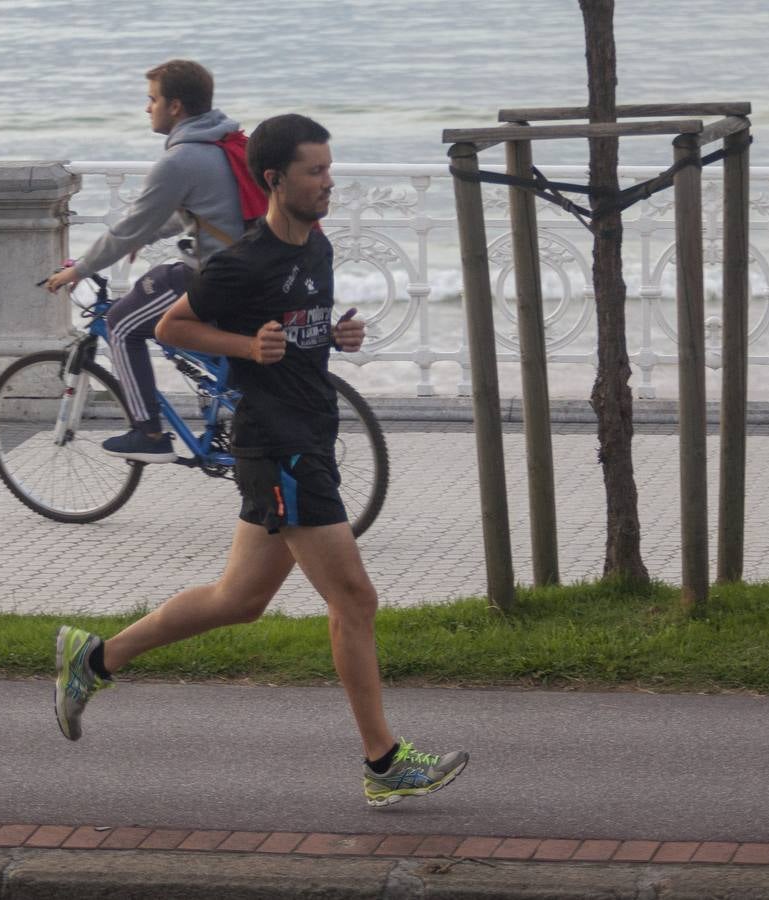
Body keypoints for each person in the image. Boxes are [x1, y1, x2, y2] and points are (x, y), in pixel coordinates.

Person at [53, 114, 469, 808]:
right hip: (278, 446)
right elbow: (172, 326)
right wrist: (247, 348)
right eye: (315, 171)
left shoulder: (317, 247)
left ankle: (93, 659)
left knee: (238, 601)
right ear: (275, 179)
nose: (329, 182)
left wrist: (334, 335)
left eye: (330, 168)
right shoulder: (241, 263)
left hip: (309, 431)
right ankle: (384, 762)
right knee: (354, 598)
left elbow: (297, 330)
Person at [44, 59, 247, 463]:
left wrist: (78, 270)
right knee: (161, 302)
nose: (147, 108)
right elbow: (201, 211)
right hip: (249, 272)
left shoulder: (179, 161)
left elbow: (128, 229)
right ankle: (231, 395)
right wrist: (147, 234)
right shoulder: (226, 145)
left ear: (175, 106)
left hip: (214, 278)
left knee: (120, 323)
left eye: (152, 99)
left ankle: (148, 432)